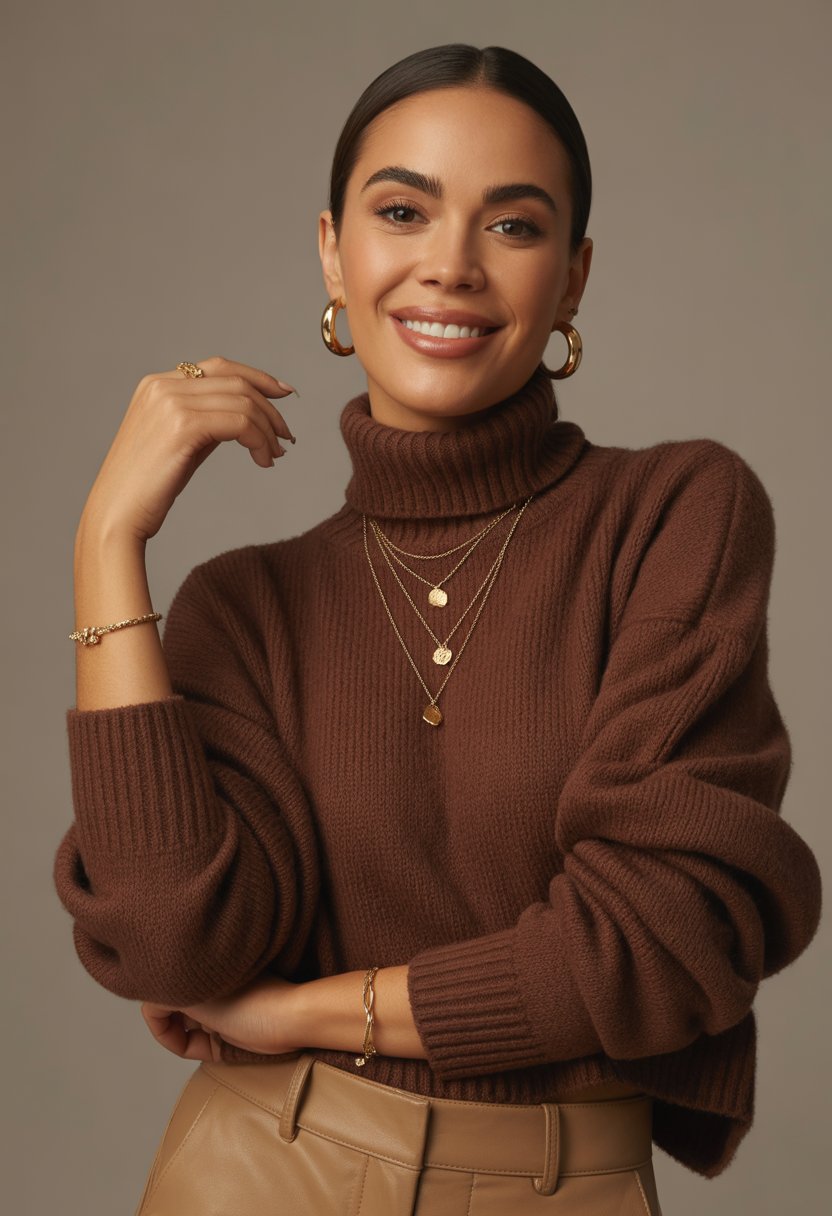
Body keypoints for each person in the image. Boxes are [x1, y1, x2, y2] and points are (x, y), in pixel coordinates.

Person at [54, 43, 822, 1216]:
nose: (449, 267)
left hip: (561, 1183)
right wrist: (106, 545)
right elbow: (175, 947)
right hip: (256, 1169)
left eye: (512, 227)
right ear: (332, 250)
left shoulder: (675, 515)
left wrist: (305, 1010)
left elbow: (656, 939)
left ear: (571, 278)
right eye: (402, 210)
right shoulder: (244, 605)